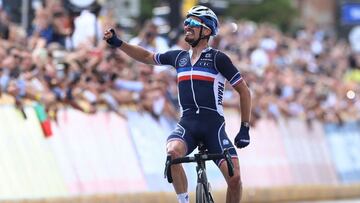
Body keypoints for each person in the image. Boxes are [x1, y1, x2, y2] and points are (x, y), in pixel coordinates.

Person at [103, 5, 251, 203]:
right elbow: (147, 56)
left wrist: (244, 128)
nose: (187, 27)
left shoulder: (218, 59)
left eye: (192, 23)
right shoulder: (178, 57)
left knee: (235, 179)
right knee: (172, 152)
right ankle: (183, 200)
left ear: (206, 30)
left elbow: (244, 91)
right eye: (186, 23)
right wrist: (119, 43)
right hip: (188, 124)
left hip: (213, 127)